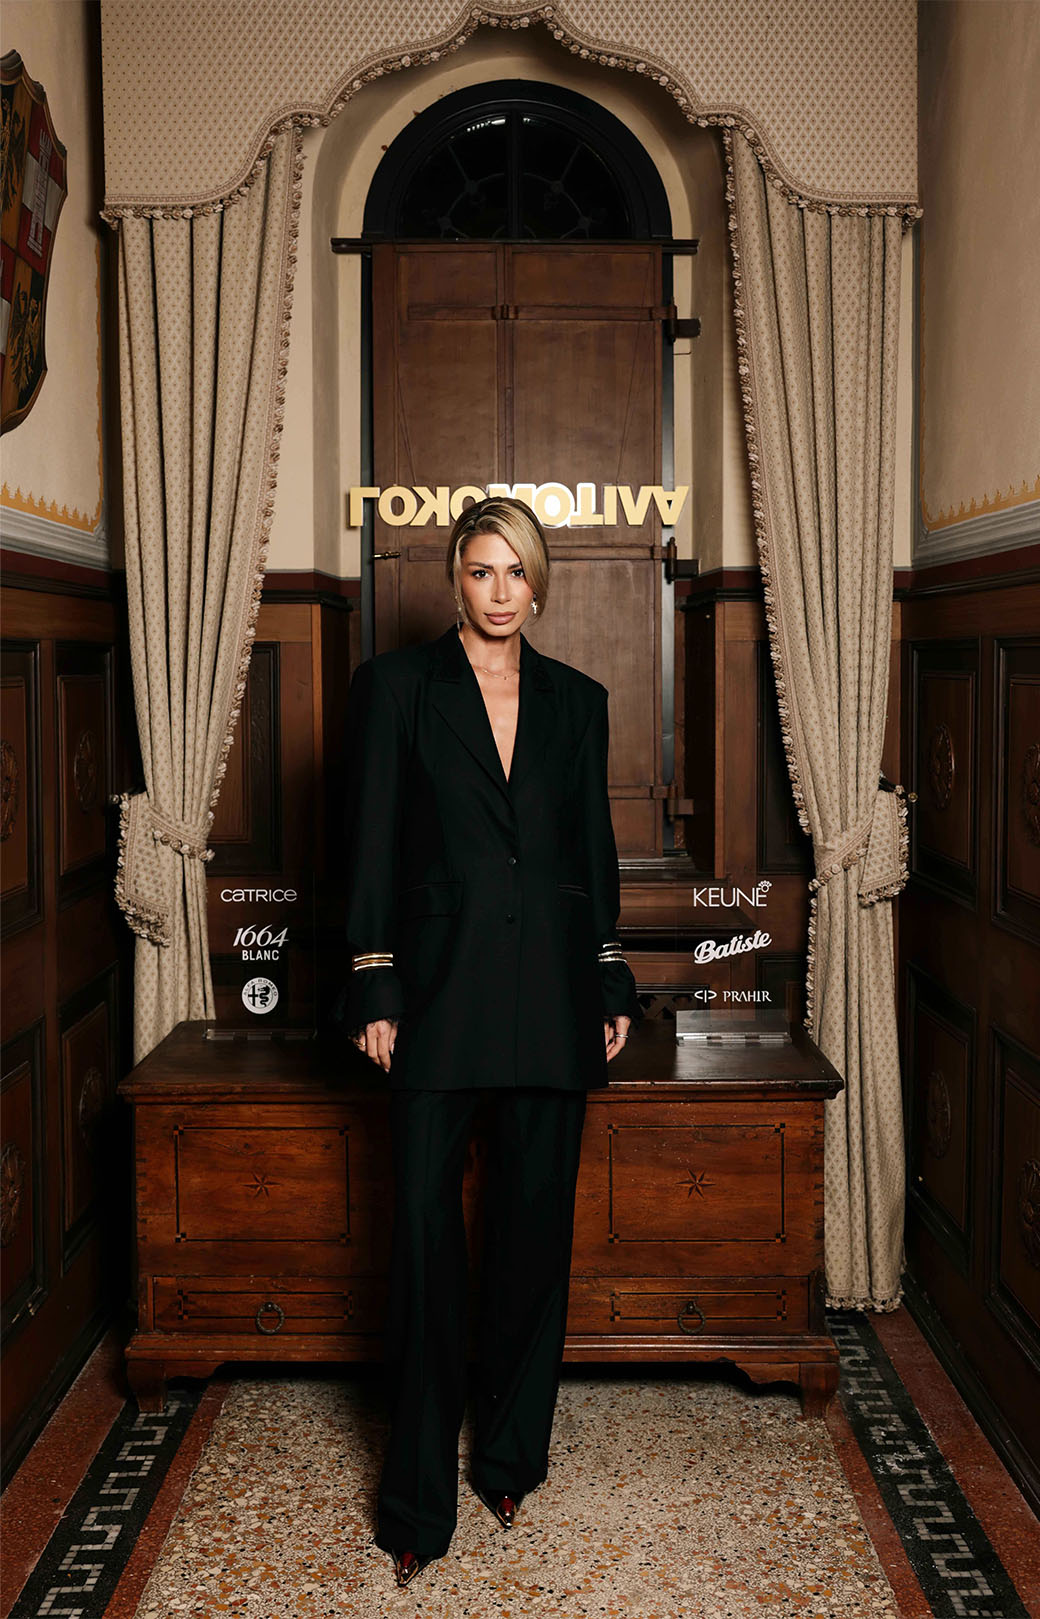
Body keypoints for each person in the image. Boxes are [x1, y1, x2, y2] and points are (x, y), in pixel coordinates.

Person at [335, 496, 642, 1588]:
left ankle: (510, 1458)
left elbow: (589, 855)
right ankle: (416, 1501)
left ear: (538, 580)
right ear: (455, 579)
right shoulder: (397, 689)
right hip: (436, 1000)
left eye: (517, 570)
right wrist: (375, 982)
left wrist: (608, 973)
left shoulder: (578, 701)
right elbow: (368, 838)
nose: (500, 590)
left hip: (552, 1002)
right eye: (481, 570)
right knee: (425, 1255)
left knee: (531, 1243)